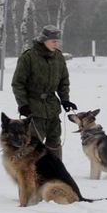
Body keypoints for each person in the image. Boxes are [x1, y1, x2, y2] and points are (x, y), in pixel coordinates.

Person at [11, 25, 77, 160]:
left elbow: (64, 81)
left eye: (57, 41)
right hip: (33, 108)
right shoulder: (28, 57)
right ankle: (30, 171)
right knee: (33, 142)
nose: (56, 44)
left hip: (52, 106)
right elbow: (18, 83)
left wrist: (65, 99)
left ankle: (56, 170)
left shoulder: (59, 57)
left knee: (55, 141)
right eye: (53, 41)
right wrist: (23, 104)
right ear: (44, 40)